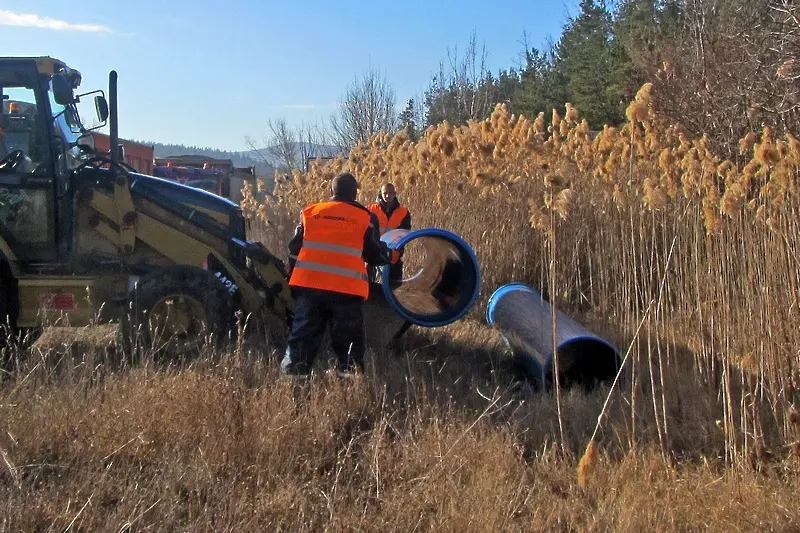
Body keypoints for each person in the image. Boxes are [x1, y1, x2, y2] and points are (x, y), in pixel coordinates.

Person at [281, 172, 401, 377]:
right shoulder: (365, 217)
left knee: (301, 339)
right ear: (355, 194)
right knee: (349, 343)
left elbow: (293, 249)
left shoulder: (309, 212)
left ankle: (293, 380)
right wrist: (391, 255)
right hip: (346, 291)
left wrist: (294, 278)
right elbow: (373, 254)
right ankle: (349, 381)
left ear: (330, 192)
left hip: (310, 289)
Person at [367, 183, 411, 284]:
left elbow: (405, 233)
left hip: (393, 249)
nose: (387, 196)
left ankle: (393, 294)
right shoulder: (370, 209)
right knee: (368, 278)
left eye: (390, 193)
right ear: (380, 193)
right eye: (385, 193)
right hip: (374, 249)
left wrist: (396, 251)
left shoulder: (403, 212)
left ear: (395, 194)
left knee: (394, 284)